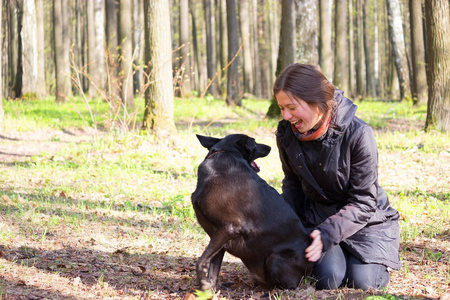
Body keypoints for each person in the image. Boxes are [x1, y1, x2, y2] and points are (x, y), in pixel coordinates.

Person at [273, 63, 400, 290]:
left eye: (291, 107)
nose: (286, 116)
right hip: (318, 218)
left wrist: (328, 232)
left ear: (317, 101)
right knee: (327, 279)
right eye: (281, 108)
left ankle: (370, 261)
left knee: (362, 282)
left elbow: (364, 202)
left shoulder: (359, 134)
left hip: (366, 222)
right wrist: (277, 220)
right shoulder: (285, 134)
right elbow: (292, 184)